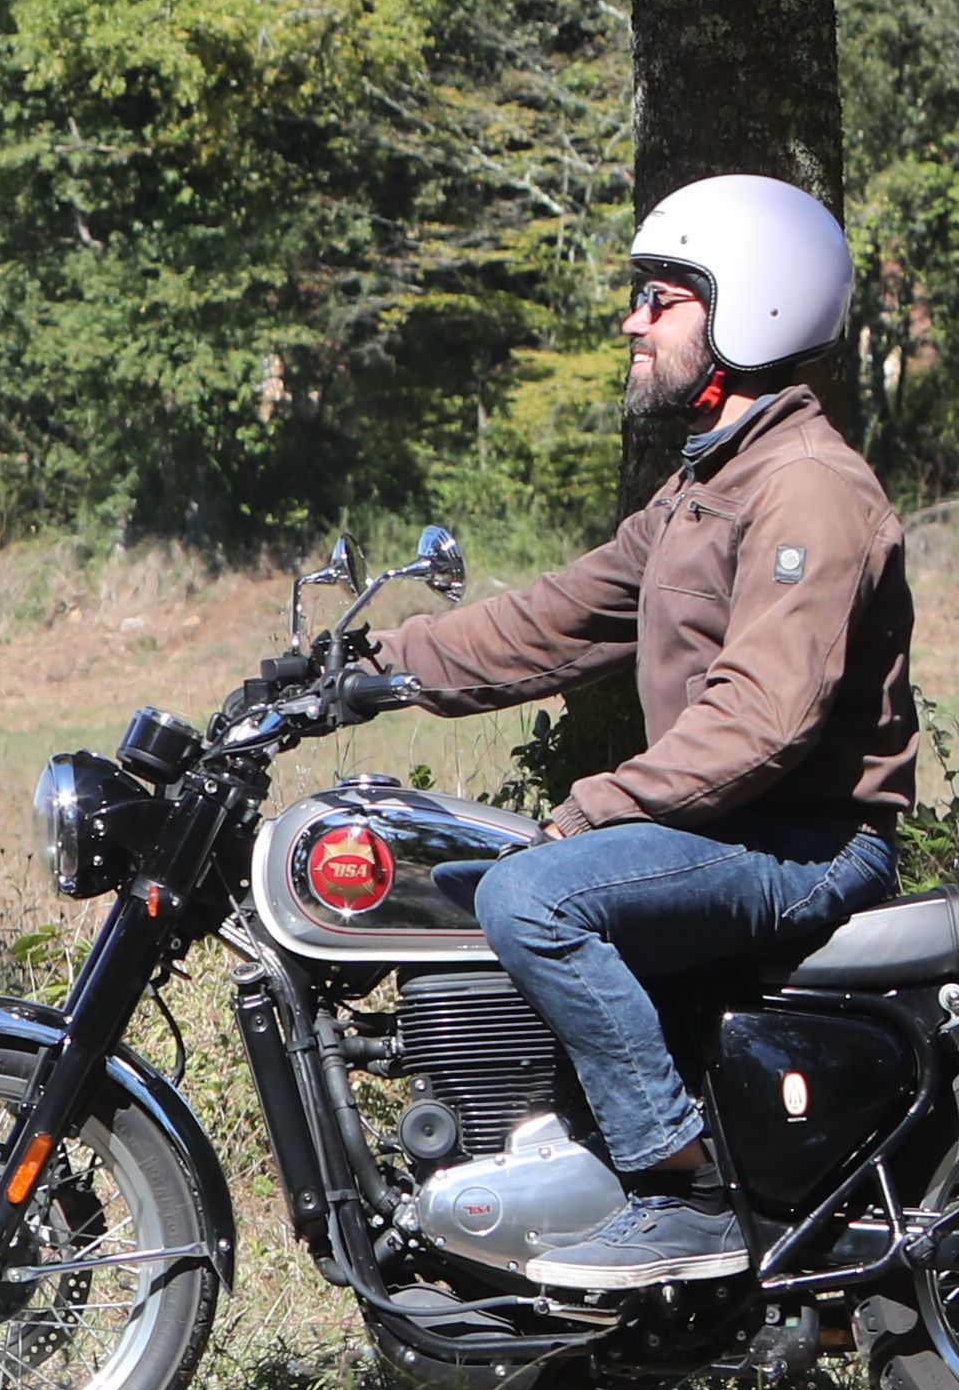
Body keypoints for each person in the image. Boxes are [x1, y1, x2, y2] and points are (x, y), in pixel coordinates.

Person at [371, 171, 920, 1292]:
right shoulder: (708, 484)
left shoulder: (808, 489)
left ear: (748, 310)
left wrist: (589, 811)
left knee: (532, 892)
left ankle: (680, 1189)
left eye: (663, 298)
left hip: (800, 841)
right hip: (733, 832)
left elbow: (764, 719)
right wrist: (374, 669)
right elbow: (557, 619)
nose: (635, 318)